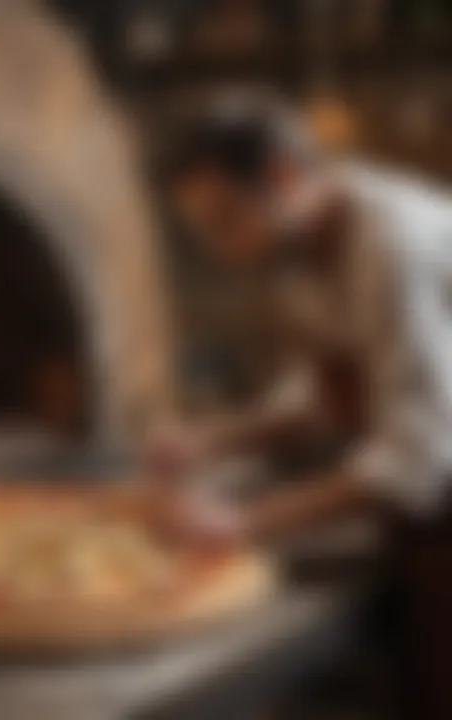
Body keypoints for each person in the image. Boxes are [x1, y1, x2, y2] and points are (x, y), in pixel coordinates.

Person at [144, 95, 431, 547]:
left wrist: (244, 522)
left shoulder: (396, 245)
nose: (224, 248)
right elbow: (324, 398)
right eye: (207, 230)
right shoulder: (294, 249)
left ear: (283, 176)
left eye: (227, 219)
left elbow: (420, 454)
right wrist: (211, 439)